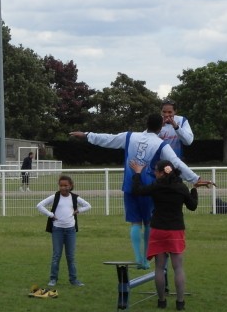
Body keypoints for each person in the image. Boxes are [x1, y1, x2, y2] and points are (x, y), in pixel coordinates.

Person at [70, 114, 213, 269]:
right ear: (160, 128)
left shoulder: (129, 136)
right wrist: (194, 178)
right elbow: (176, 163)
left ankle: (138, 258)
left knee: (135, 223)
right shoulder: (161, 144)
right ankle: (146, 258)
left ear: (146, 123)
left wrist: (86, 135)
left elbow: (107, 139)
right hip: (149, 189)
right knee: (149, 222)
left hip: (130, 186)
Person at [129, 158, 207, 310]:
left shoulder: (156, 186)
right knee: (178, 267)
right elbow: (192, 206)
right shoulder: (181, 187)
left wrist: (138, 173)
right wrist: (194, 189)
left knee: (159, 267)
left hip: (158, 228)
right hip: (176, 229)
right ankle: (180, 302)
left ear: (160, 173)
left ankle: (161, 301)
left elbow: (137, 191)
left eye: (155, 172)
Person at [36, 175, 91, 287]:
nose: (63, 188)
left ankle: (73, 280)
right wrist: (50, 214)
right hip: (57, 230)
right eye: (61, 185)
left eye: (66, 185)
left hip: (70, 230)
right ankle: (53, 279)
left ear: (70, 186)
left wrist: (78, 210)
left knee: (71, 256)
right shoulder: (55, 197)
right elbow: (39, 205)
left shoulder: (74, 197)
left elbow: (88, 206)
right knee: (56, 255)